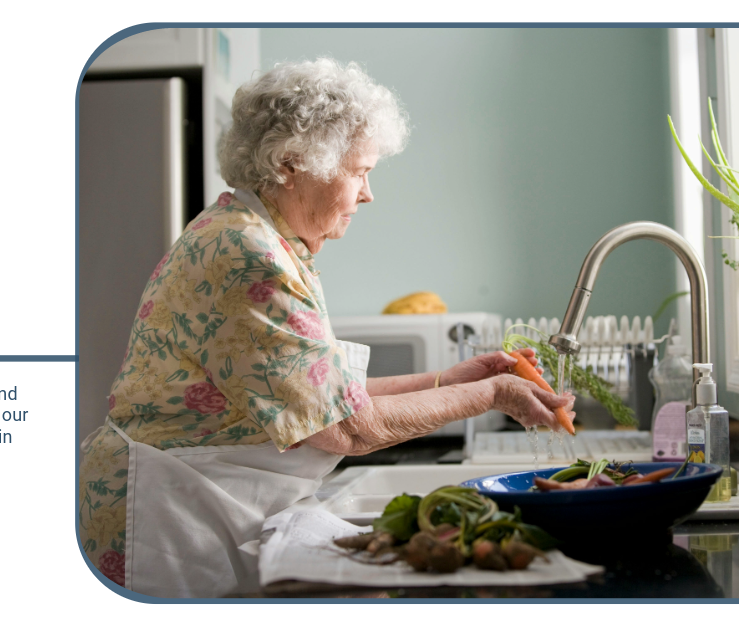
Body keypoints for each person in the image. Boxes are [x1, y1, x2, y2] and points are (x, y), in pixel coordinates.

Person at [78, 58, 574, 597]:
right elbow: (346, 428)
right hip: (164, 516)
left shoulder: (261, 239)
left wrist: (454, 380)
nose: (367, 194)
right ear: (292, 163)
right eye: (360, 171)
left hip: (194, 499)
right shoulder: (248, 256)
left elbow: (323, 397)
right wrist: (492, 393)